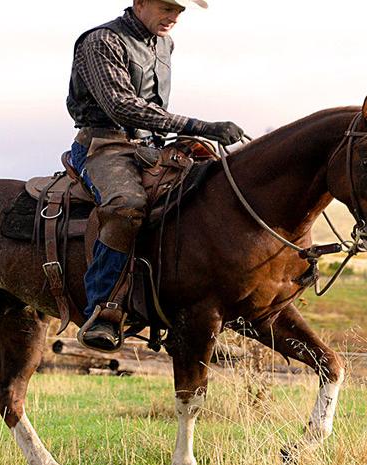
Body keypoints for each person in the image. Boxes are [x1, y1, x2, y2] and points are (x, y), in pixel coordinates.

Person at [66, 0, 245, 351]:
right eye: (166, 7)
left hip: (150, 147)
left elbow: (153, 107)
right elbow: (121, 105)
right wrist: (198, 126)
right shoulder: (102, 41)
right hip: (103, 144)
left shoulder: (164, 44)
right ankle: (103, 309)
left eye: (179, 11)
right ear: (140, 3)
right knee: (126, 204)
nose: (173, 17)